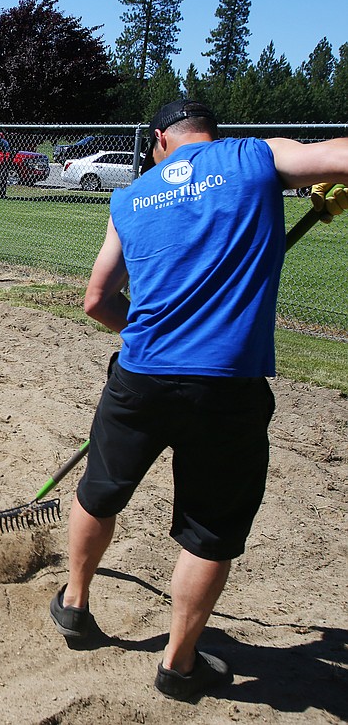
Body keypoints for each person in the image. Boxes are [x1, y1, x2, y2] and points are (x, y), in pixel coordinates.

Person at [49, 98, 348, 702]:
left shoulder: (131, 197)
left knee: (100, 491)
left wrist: (148, 333)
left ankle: (75, 603)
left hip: (139, 377)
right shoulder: (252, 157)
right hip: (225, 386)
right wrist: (325, 183)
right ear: (209, 133)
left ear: (160, 139)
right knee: (209, 528)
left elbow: (97, 301)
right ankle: (179, 665)